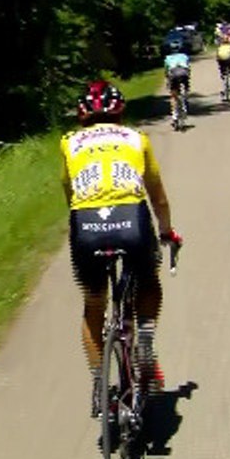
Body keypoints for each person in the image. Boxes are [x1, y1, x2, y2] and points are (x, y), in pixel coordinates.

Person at [61, 81, 183, 417]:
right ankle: (144, 343)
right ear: (120, 112)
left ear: (82, 116)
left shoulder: (69, 142)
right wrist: (167, 232)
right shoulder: (136, 139)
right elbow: (158, 197)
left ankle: (100, 385)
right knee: (149, 283)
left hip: (86, 224)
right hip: (132, 222)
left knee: (93, 307)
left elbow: (69, 191)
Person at [163, 40, 191, 127]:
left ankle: (174, 116)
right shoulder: (184, 56)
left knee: (173, 96)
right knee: (185, 89)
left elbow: (166, 72)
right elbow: (188, 68)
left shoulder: (167, 58)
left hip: (174, 76)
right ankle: (185, 100)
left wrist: (167, 81)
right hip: (184, 75)